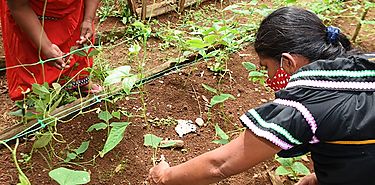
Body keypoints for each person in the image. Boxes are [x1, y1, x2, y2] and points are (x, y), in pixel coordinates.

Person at [149, 7, 375, 185]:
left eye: (266, 67)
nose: (268, 78)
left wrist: (164, 177)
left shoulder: (305, 104)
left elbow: (220, 165)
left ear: (288, 62)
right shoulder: (365, 67)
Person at [0, 0, 100, 101]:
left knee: (76, 41)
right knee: (29, 53)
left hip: (72, 10)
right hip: (28, 9)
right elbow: (18, 6)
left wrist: (88, 19)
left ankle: (76, 79)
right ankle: (33, 94)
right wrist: (46, 47)